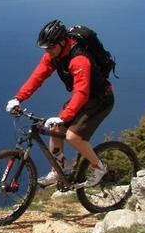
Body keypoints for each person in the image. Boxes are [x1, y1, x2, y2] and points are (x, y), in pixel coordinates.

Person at [6, 19, 115, 188]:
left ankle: (101, 169)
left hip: (100, 99)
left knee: (73, 137)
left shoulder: (79, 59)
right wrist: (18, 98)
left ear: (62, 42)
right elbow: (37, 77)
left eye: (50, 47)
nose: (48, 51)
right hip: (83, 98)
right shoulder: (53, 55)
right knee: (54, 130)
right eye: (45, 48)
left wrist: (63, 117)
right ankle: (60, 169)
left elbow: (81, 93)